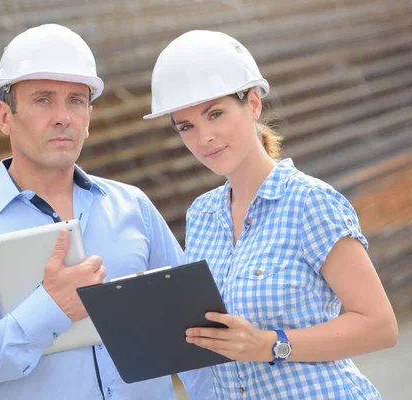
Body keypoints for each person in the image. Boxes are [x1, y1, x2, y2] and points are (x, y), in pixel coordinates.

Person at [0, 24, 191, 399]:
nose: (63, 117)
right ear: (4, 116)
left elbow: (197, 330)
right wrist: (48, 309)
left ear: (89, 118)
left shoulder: (134, 207)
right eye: (43, 100)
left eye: (76, 100)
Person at [144, 30, 398, 399]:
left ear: (253, 103)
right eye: (187, 127)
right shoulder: (201, 215)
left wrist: (270, 344)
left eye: (215, 114)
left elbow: (380, 327)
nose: (204, 138)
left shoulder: (309, 202)